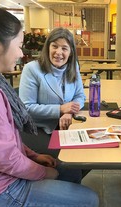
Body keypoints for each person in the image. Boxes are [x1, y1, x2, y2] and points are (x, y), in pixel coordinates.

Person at [0, 2, 98, 207]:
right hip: (2, 193)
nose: (21, 53)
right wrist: (43, 172)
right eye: (19, 45)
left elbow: (5, 141)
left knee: (69, 172)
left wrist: (32, 155)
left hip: (3, 179)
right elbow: (7, 160)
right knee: (90, 199)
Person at [19, 27, 88, 176]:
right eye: (54, 46)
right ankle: (65, 191)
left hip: (65, 126)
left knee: (90, 154)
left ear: (71, 52)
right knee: (69, 163)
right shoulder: (32, 69)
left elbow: (80, 96)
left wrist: (69, 112)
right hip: (37, 129)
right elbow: (26, 107)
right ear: (48, 47)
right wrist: (61, 109)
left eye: (64, 48)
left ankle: (66, 185)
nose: (59, 52)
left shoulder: (73, 67)